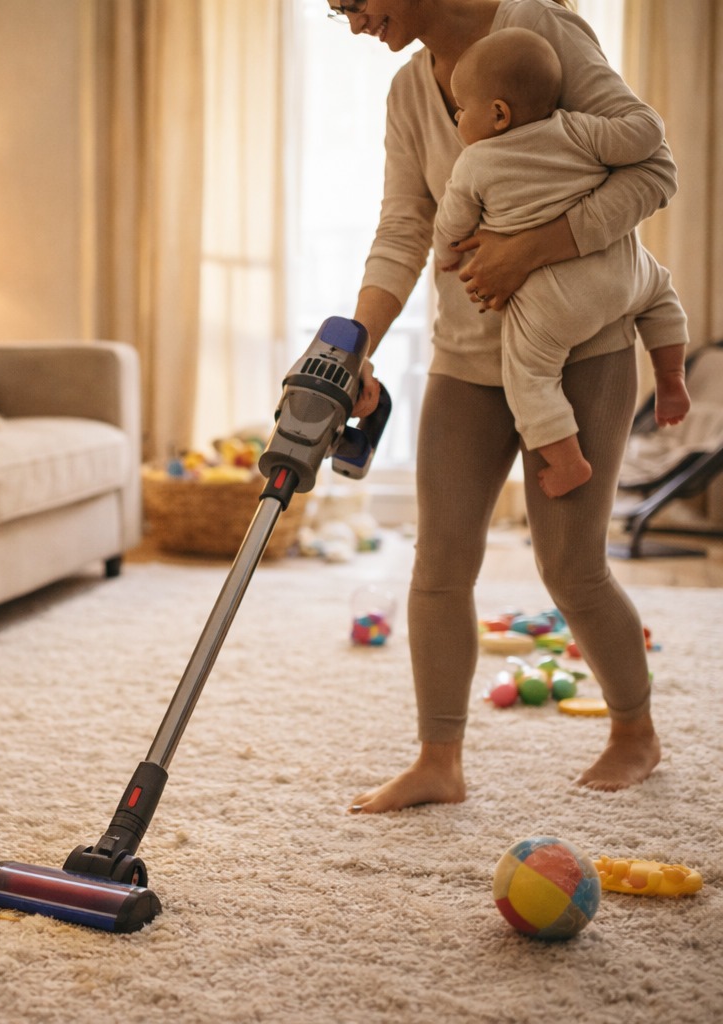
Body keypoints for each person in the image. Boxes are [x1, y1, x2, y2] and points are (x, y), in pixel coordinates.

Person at [324, 0, 674, 811]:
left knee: (571, 566)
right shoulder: (410, 91)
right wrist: (353, 346)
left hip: (581, 351)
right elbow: (405, 225)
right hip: (467, 358)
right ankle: (438, 760)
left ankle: (635, 733)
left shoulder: (540, 32)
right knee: (439, 562)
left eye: (352, 1)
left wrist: (534, 250)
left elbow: (654, 168)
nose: (349, 23)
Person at [432, 27, 690, 498]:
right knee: (661, 291)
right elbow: (643, 139)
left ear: (497, 115)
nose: (456, 120)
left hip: (555, 299)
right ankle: (671, 379)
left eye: (461, 110)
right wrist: (649, 120)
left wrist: (449, 253)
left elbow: (451, 225)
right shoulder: (578, 128)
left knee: (529, 374)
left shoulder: (475, 163)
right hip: (619, 269)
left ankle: (568, 461)